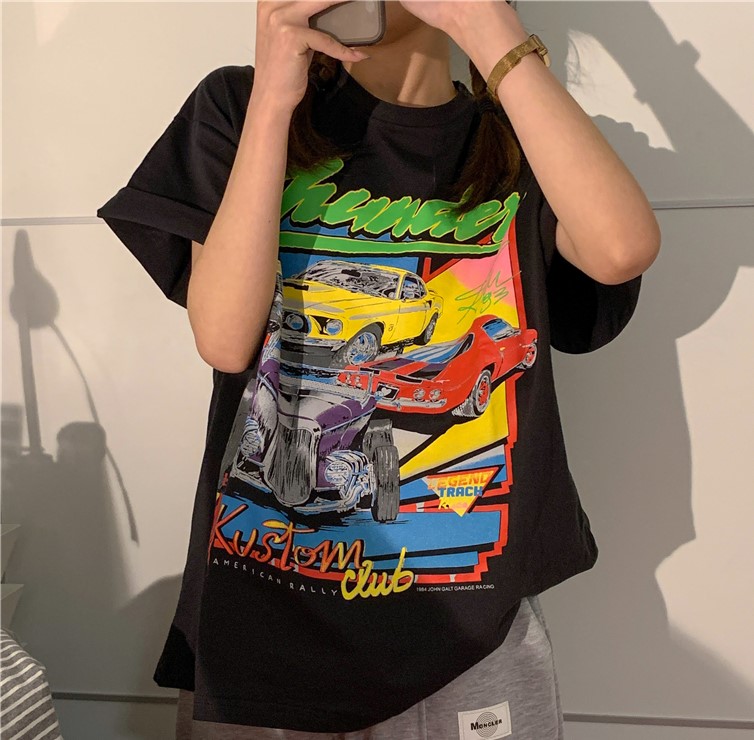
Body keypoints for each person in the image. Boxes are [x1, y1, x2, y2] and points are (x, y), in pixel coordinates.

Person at [96, 1, 660, 738]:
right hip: (262, 625)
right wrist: (273, 96)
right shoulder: (239, 103)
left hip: (470, 629)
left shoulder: (527, 132)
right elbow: (226, 339)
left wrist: (489, 30)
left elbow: (620, 250)